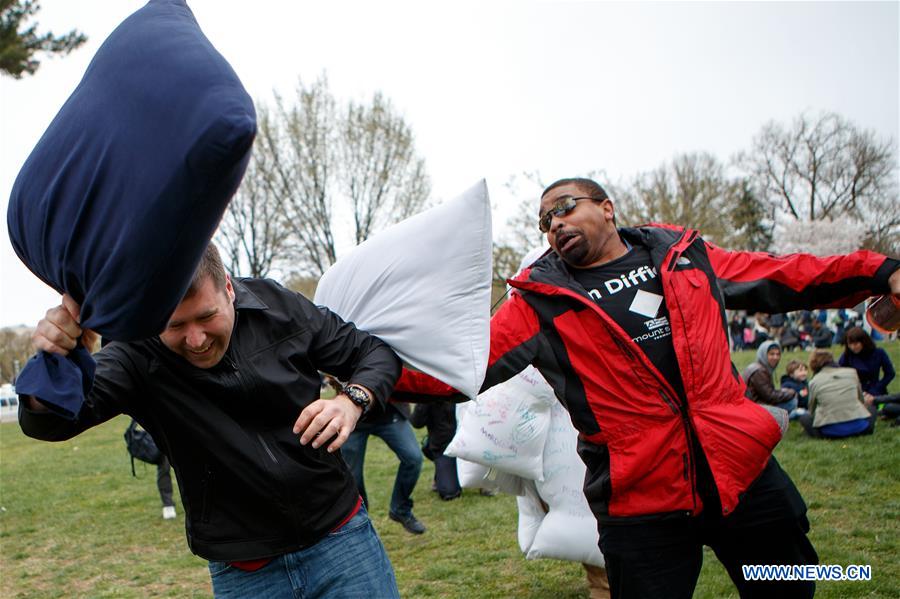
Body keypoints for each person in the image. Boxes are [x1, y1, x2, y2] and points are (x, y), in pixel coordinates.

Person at [396, 177, 900, 599]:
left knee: (794, 582)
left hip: (742, 475)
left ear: (607, 207)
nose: (555, 224)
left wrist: (880, 271)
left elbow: (787, 275)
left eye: (565, 208)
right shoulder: (538, 302)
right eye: (545, 222)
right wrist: (364, 369)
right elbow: (462, 366)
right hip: (641, 502)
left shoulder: (685, 255)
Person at [19, 243, 403, 599]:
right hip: (246, 571)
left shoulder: (277, 307)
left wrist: (352, 401)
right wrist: (57, 359)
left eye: (206, 317)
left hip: (341, 540)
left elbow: (373, 353)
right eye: (175, 326)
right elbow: (51, 422)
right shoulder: (135, 350)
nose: (196, 339)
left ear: (230, 289)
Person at [341, 400, 426, 534]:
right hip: (353, 418)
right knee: (352, 476)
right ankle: (362, 521)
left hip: (390, 411)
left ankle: (400, 509)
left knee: (413, 458)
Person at [798, 350, 876, 439]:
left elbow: (812, 409)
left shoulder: (814, 382)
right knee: (872, 408)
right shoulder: (852, 373)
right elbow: (861, 400)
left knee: (805, 417)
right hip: (861, 428)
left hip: (830, 432)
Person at [410, 400, 462, 501]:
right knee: (449, 492)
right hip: (443, 446)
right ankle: (442, 472)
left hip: (468, 442)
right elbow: (417, 422)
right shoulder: (433, 391)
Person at [742, 340, 798, 415]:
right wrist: (791, 393)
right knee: (792, 402)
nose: (775, 357)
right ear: (764, 354)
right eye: (772, 354)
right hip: (756, 408)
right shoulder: (759, 372)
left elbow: (767, 392)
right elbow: (770, 397)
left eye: (778, 354)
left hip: (756, 403)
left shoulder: (760, 366)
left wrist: (784, 391)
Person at [838, 326, 896, 396]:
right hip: (854, 393)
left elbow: (890, 373)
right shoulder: (847, 356)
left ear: (863, 342)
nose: (853, 347)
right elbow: (839, 374)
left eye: (856, 344)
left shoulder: (879, 353)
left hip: (875, 392)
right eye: (850, 344)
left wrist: (876, 389)